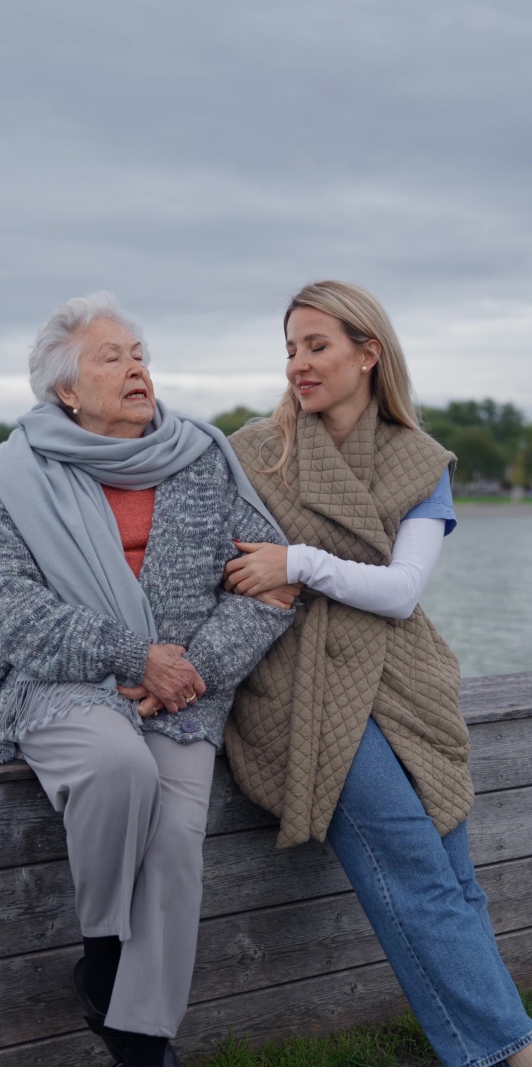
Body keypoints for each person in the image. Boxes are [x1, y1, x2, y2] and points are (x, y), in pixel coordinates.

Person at [0, 292, 295, 1067]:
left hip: (186, 691)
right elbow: (8, 610)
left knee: (176, 841)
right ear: (66, 390)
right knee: (117, 766)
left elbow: (273, 587)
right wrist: (131, 655)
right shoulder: (19, 470)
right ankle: (103, 958)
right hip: (64, 683)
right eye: (112, 356)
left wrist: (194, 667)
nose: (136, 365)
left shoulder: (204, 456)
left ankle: (140, 1038)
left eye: (138, 351)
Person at [222, 280, 532, 1067]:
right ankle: (505, 1054)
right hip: (306, 688)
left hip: (405, 681)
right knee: (415, 871)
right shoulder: (256, 452)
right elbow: (214, 566)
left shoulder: (420, 461)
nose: (298, 362)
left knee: (457, 880)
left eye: (316, 345)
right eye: (290, 347)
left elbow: (399, 592)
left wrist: (297, 561)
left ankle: (485, 1046)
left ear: (369, 353)